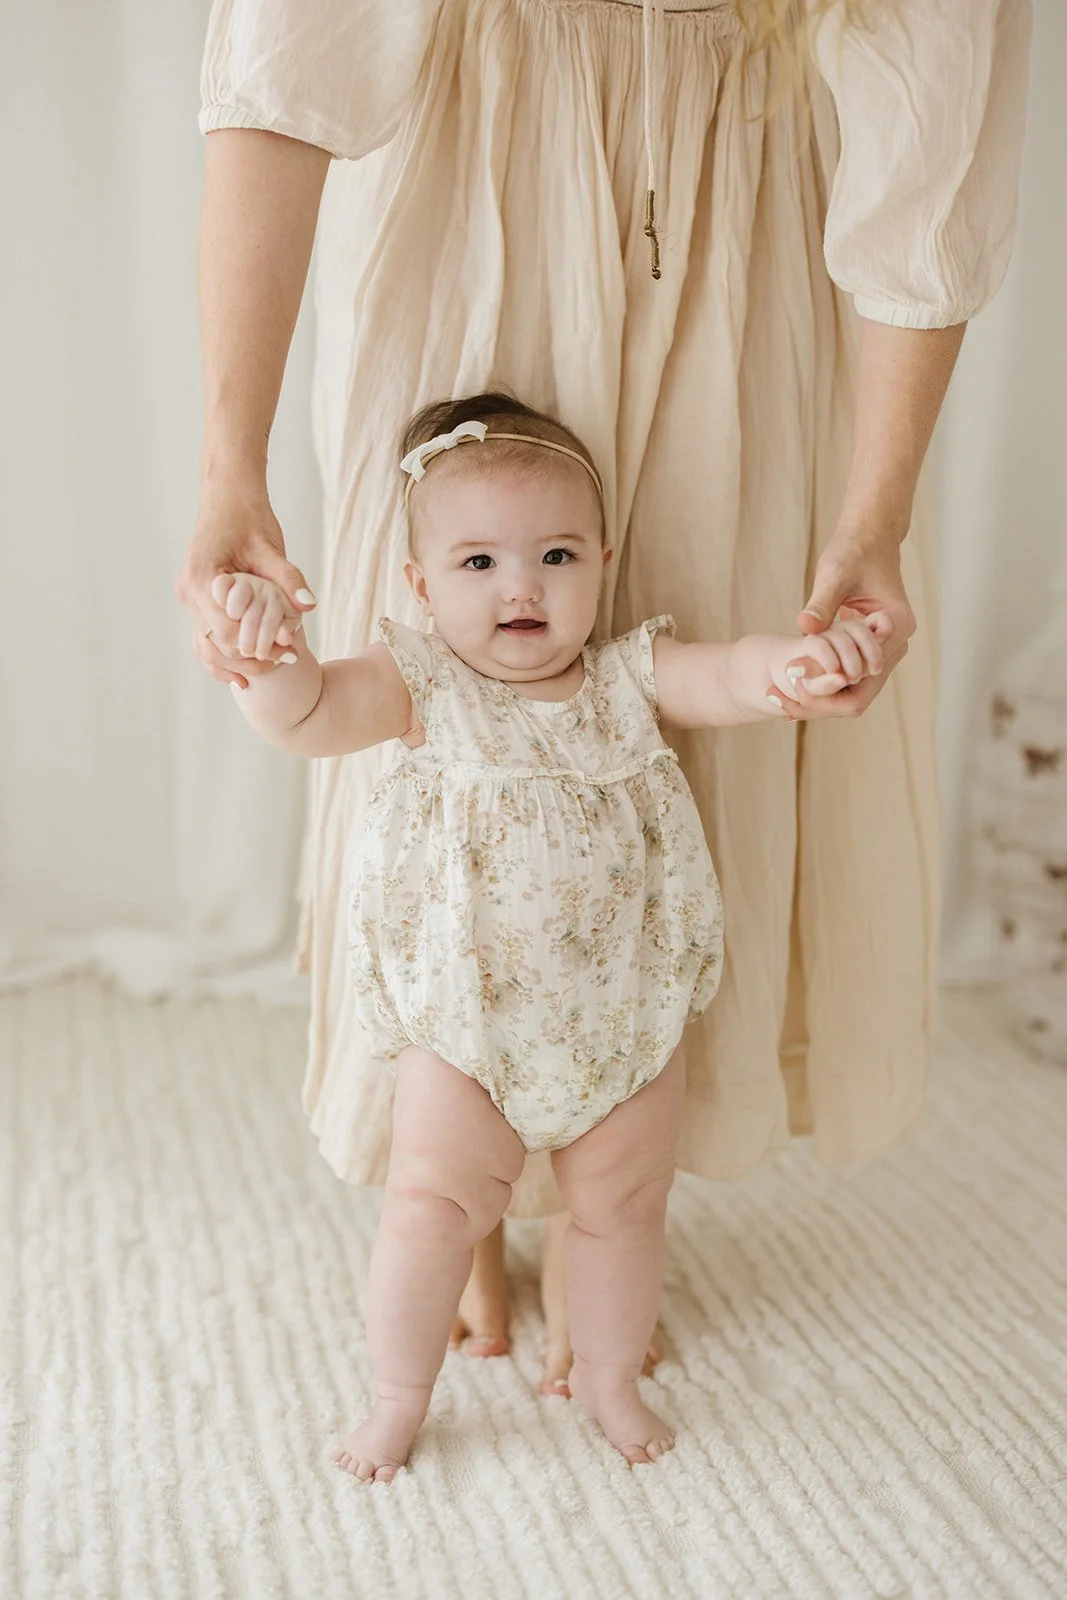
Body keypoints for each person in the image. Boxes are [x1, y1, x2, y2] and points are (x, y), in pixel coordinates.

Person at [177, 0, 1032, 1392]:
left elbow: (930, 116)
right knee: (434, 687)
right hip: (471, 163)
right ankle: (445, 1185)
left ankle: (607, 1204)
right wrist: (229, 462)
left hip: (743, 207)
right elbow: (285, 66)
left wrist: (871, 511)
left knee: (675, 691)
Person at [216, 392, 887, 1479]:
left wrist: (791, 674)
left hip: (621, 1020)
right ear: (421, 586)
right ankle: (396, 1394)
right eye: (477, 562)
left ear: (601, 561)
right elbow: (306, 714)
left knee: (622, 1208)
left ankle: (610, 1377)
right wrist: (264, 660)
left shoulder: (625, 678)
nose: (520, 585)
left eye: (555, 554)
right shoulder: (420, 680)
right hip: (464, 1024)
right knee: (429, 1205)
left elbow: (724, 674)